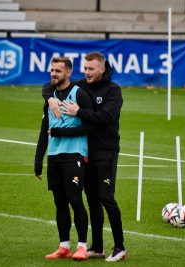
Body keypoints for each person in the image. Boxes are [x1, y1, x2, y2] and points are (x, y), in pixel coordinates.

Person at [44, 52, 126, 262]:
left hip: (106, 152)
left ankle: (120, 247)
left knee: (107, 198)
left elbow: (106, 117)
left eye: (91, 69)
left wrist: (80, 111)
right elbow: (50, 85)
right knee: (92, 201)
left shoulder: (113, 90)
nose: (87, 73)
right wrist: (50, 97)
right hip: (85, 152)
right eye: (85, 68)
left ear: (102, 68)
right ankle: (97, 247)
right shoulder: (82, 84)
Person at [34, 57, 94, 261]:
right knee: (60, 203)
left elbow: (91, 126)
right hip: (54, 156)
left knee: (75, 199)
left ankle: (82, 247)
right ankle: (64, 246)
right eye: (52, 70)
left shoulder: (79, 95)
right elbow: (45, 130)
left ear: (68, 73)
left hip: (74, 154)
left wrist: (62, 132)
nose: (53, 74)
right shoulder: (49, 98)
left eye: (58, 71)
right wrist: (37, 160)